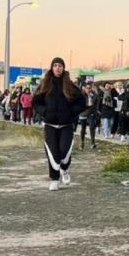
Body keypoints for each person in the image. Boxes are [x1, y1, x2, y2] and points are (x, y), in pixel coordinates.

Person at [33, 57, 86, 191]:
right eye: (55, 65)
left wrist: (70, 112)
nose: (57, 68)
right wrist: (44, 111)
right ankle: (54, 179)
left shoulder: (69, 85)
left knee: (64, 151)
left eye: (60, 66)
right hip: (50, 125)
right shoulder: (45, 84)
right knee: (53, 152)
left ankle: (65, 169)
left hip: (66, 125)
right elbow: (36, 102)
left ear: (63, 68)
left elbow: (81, 102)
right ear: (52, 67)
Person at [79, 83, 99, 150]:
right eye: (87, 88)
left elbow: (96, 103)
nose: (88, 89)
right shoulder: (81, 95)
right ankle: (82, 142)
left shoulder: (94, 95)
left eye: (90, 88)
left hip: (91, 113)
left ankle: (93, 143)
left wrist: (97, 111)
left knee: (92, 127)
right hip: (83, 113)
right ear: (84, 88)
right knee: (83, 128)